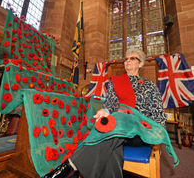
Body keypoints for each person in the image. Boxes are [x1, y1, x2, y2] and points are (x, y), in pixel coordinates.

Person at [43, 48, 166, 178]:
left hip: (139, 132)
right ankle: (69, 168)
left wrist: (140, 122)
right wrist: (105, 111)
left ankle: (69, 167)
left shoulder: (150, 86)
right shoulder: (116, 82)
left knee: (116, 124)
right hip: (117, 131)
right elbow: (110, 105)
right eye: (126, 59)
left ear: (141, 64)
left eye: (133, 58)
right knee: (111, 136)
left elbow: (157, 114)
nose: (128, 61)